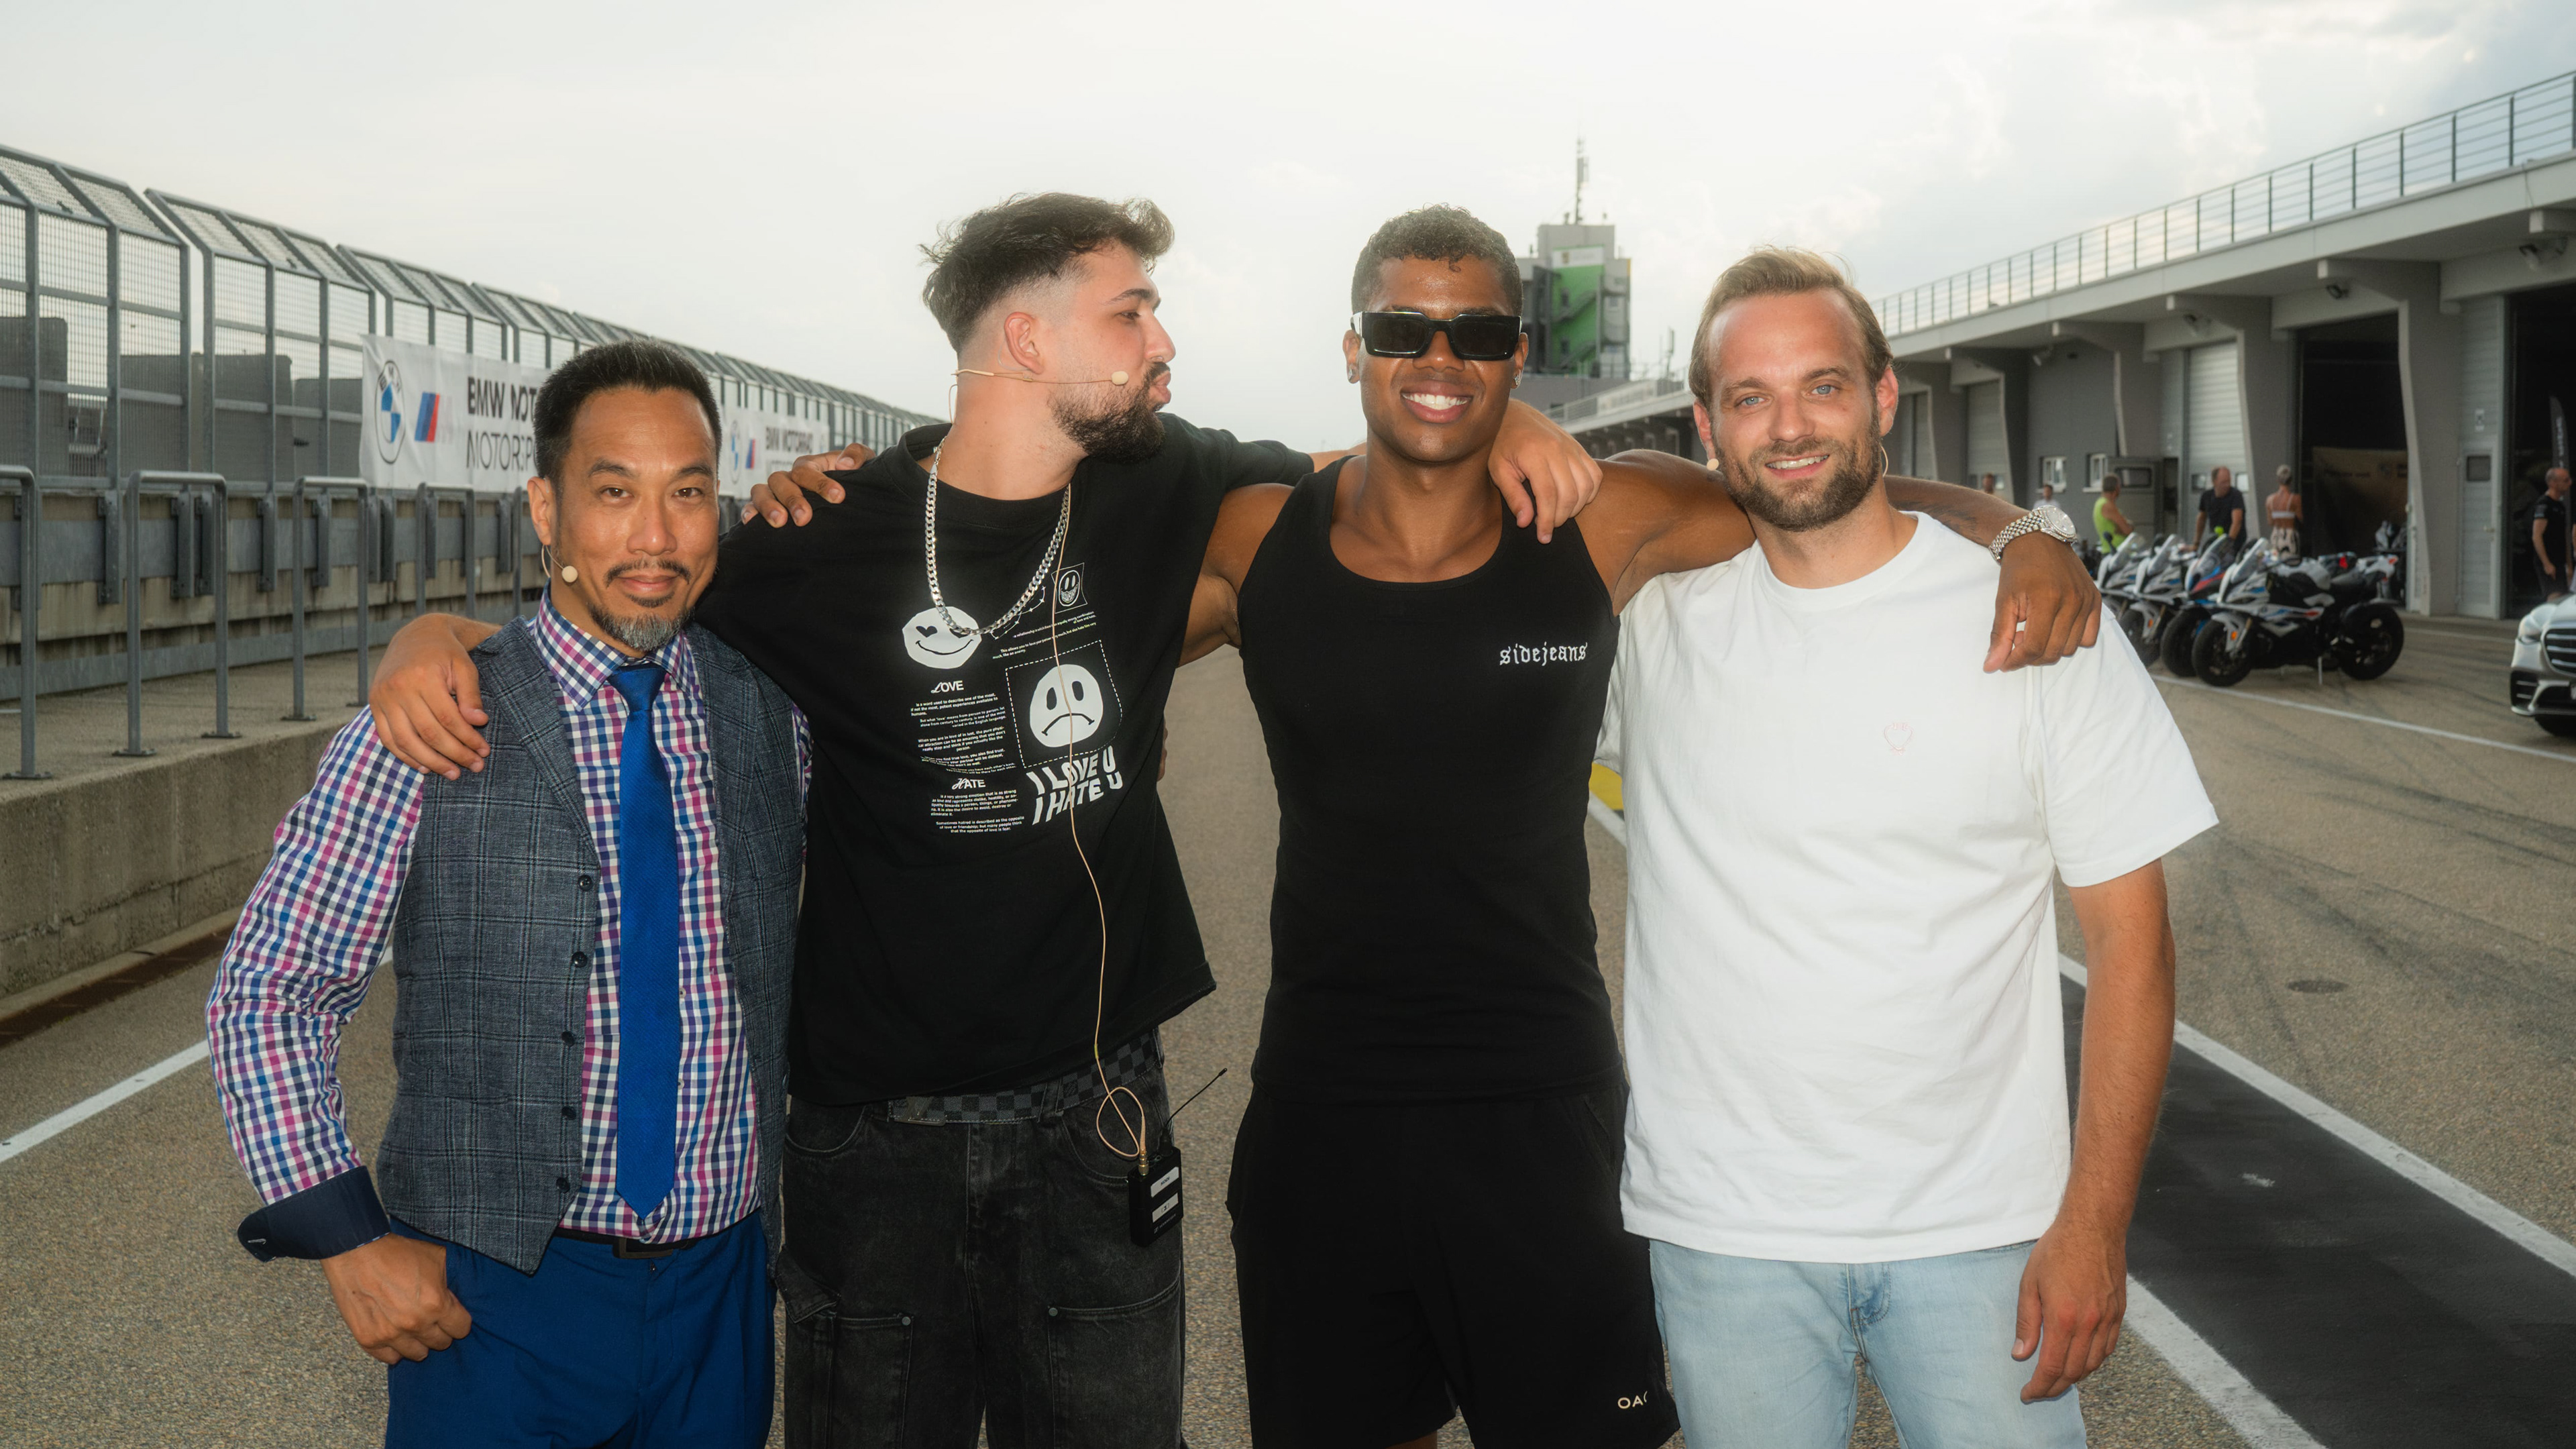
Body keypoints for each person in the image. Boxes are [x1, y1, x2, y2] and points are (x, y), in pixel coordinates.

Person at [748, 210, 2101, 1449]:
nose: (1437, 359)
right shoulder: (1252, 538)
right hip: (1323, 1118)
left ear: (1519, 354)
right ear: (1355, 349)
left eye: (1478, 336)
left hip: (1544, 1121)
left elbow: (1816, 491)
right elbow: (1026, 562)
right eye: (1404, 331)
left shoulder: (1602, 518)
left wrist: (2024, 527)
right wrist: (860, 489)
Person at [360, 193, 1603, 1446]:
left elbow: (1387, 465)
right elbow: (620, 615)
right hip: (873, 1148)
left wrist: (1508, 416)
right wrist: (435, 637)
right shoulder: (816, 539)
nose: (1163, 343)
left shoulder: (1166, 477)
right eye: (1132, 314)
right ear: (1025, 341)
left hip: (1099, 1120)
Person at [1600, 247, 2216, 1449]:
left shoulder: (2040, 623)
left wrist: (2095, 1224)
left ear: (1884, 398)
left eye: (1823, 386)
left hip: (1984, 1233)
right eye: (1751, 397)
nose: (1790, 427)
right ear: (1707, 427)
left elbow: (2133, 948)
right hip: (1726, 1235)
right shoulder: (1649, 629)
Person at [207, 341, 810, 1448]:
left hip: (720, 1298)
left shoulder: (775, 716)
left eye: (687, 494)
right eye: (614, 493)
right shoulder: (431, 721)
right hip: (492, 1302)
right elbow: (271, 991)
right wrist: (346, 1237)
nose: (656, 536)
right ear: (546, 510)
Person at [2532, 465, 2571, 600]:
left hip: (2559, 560)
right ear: (2553, 483)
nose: (2570, 483)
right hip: (2548, 560)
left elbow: (2564, 537)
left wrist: (2569, 565)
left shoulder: (2560, 506)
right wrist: (2546, 564)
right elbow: (2537, 536)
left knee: (2562, 596)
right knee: (2554, 596)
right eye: (2566, 480)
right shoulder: (2544, 504)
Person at [2194, 465, 2245, 545]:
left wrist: (2228, 544)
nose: (2227, 485)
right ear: (2214, 482)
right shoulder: (2207, 496)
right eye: (2223, 482)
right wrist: (2196, 543)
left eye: (2228, 481)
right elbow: (2201, 519)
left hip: (2234, 542)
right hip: (2216, 540)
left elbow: (2237, 522)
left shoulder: (2235, 495)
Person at [2266, 464, 2302, 557]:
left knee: (2275, 561)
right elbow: (2301, 518)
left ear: (2278, 480)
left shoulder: (2270, 500)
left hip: (2276, 537)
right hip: (2290, 537)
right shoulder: (2295, 499)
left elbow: (2270, 522)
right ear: (2291, 481)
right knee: (2291, 562)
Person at [2093, 476, 2133, 550]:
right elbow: (2127, 530)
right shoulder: (2108, 505)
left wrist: (2119, 529)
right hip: (2116, 550)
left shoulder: (2099, 503)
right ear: (2116, 488)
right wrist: (2128, 525)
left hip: (2107, 548)